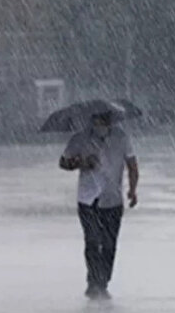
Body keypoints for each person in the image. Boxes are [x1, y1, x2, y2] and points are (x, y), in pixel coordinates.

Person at [59, 112, 139, 300]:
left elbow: (132, 165)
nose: (100, 125)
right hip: (88, 199)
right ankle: (93, 282)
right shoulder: (79, 139)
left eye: (103, 122)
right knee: (93, 241)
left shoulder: (121, 138)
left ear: (110, 122)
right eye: (96, 122)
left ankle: (103, 282)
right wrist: (81, 162)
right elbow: (63, 162)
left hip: (113, 199)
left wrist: (133, 190)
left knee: (109, 244)